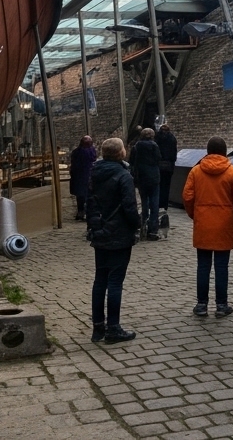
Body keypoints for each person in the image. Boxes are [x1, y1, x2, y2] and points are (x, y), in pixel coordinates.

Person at [182, 136, 233, 318]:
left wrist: (195, 214)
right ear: (225, 151)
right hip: (224, 223)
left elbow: (187, 197)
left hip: (203, 222)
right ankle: (221, 305)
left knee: (203, 266)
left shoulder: (196, 171)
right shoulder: (232, 172)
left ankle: (201, 304)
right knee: (221, 266)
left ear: (207, 151)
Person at [86, 137, 140, 344]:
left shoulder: (94, 174)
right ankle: (113, 328)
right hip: (119, 233)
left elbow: (90, 204)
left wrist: (94, 227)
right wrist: (137, 224)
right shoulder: (123, 175)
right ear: (120, 153)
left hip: (100, 232)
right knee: (115, 281)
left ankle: (98, 327)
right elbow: (129, 207)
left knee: (100, 279)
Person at [129, 127, 162, 240]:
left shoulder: (136, 146)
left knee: (144, 202)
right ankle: (153, 230)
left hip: (141, 177)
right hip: (154, 177)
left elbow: (131, 162)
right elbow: (158, 159)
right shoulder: (154, 146)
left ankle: (143, 225)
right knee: (154, 203)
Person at [69, 136, 97, 221]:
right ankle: (86, 212)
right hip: (85, 176)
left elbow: (74, 165)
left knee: (81, 196)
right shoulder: (91, 151)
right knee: (87, 195)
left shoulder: (76, 152)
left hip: (80, 177)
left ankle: (81, 212)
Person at [155, 124, 179, 210]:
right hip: (168, 166)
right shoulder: (172, 139)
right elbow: (174, 153)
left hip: (158, 165)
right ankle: (165, 204)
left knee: (158, 185)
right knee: (166, 185)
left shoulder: (157, 138)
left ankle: (157, 203)